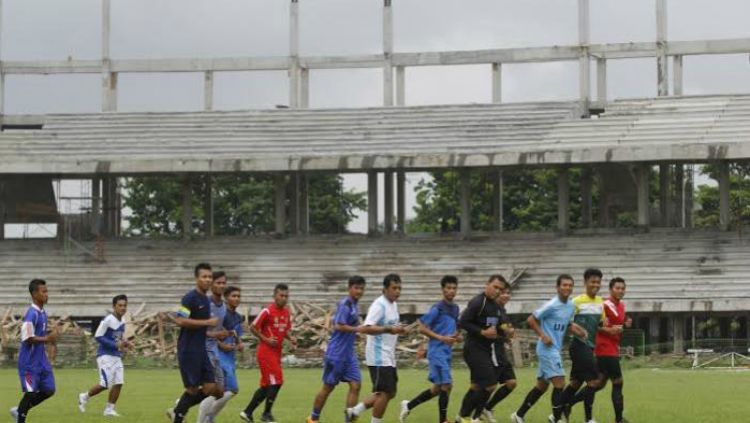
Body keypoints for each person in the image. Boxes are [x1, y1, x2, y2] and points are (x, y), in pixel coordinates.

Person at [510, 274, 587, 423]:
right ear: (558, 287)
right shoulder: (551, 305)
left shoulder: (571, 306)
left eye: (570, 285)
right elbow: (531, 319)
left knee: (542, 386)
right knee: (560, 383)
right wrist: (542, 335)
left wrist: (579, 331)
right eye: (564, 285)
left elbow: (567, 324)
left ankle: (518, 415)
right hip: (547, 349)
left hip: (555, 349)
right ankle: (557, 419)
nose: (567, 288)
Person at [345, 274, 407, 423]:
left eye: (399, 288)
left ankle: (355, 411)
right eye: (394, 288)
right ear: (385, 289)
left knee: (391, 392)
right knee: (384, 393)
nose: (397, 291)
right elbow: (366, 328)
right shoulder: (379, 305)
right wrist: (389, 329)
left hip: (388, 355)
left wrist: (399, 330)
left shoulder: (393, 304)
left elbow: (391, 327)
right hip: (379, 355)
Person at [399, 275, 460, 423]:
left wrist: (457, 337)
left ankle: (408, 405)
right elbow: (422, 328)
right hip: (436, 352)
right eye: (448, 288)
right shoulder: (437, 308)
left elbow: (454, 329)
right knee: (447, 384)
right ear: (442, 289)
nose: (451, 291)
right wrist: (441, 338)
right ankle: (443, 420)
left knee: (437, 389)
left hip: (446, 352)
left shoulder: (456, 308)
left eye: (454, 288)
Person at [307, 276, 367, 423]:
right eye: (356, 288)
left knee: (356, 385)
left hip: (348, 355)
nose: (359, 291)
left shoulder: (354, 305)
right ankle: (313, 418)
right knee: (328, 387)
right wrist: (357, 329)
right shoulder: (345, 304)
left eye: (361, 288)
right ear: (349, 288)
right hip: (337, 354)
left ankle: (349, 420)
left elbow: (347, 327)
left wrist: (356, 334)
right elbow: (339, 325)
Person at [167, 263, 220, 423]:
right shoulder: (190, 298)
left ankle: (177, 410)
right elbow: (181, 320)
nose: (208, 280)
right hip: (188, 350)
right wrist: (207, 322)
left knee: (211, 387)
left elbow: (202, 327)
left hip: (201, 349)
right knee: (192, 389)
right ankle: (178, 416)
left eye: (210, 277)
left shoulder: (205, 298)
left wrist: (216, 333)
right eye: (204, 276)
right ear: (197, 278)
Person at [241, 284, 296, 423]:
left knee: (267, 386)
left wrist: (291, 339)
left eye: (286, 296)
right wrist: (265, 339)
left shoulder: (286, 312)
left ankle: (247, 412)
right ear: (274, 296)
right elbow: (253, 327)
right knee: (277, 381)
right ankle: (266, 414)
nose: (283, 298)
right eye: (281, 295)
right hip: (265, 353)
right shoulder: (267, 311)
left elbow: (284, 330)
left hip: (276, 353)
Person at [455, 275, 506, 423]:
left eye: (500, 289)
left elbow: (497, 325)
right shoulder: (479, 302)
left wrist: (505, 333)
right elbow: (463, 321)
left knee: (477, 386)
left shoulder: (495, 306)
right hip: (473, 349)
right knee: (490, 383)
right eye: (495, 287)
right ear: (487, 284)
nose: (497, 291)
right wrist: (482, 332)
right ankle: (475, 417)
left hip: (485, 350)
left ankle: (462, 416)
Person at [10, 279, 57, 423]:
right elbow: (28, 338)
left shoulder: (42, 313)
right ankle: (20, 417)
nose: (47, 294)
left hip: (41, 362)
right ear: (34, 294)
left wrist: (50, 347)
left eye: (47, 291)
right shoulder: (32, 314)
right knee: (30, 394)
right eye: (44, 291)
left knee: (49, 390)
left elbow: (42, 337)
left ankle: (19, 411)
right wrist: (48, 339)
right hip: (29, 364)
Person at [561, 268, 605, 423]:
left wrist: (614, 327)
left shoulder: (601, 302)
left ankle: (557, 413)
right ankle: (588, 418)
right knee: (595, 381)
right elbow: (566, 322)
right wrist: (577, 330)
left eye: (598, 282)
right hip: (579, 346)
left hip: (591, 347)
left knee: (575, 383)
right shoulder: (576, 301)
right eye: (593, 281)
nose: (596, 285)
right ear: (585, 282)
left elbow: (601, 324)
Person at [78, 294, 130, 417]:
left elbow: (118, 338)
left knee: (119, 382)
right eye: (120, 305)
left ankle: (109, 410)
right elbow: (98, 336)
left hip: (116, 356)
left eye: (125, 305)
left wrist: (126, 343)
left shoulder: (122, 320)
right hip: (105, 356)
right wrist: (116, 345)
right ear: (114, 306)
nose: (123, 308)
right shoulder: (108, 320)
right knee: (105, 384)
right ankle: (84, 396)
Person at [593, 277, 631, 423]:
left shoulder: (621, 305)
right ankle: (619, 419)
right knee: (618, 381)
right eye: (617, 288)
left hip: (613, 348)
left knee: (599, 384)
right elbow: (596, 325)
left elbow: (618, 324)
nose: (620, 291)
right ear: (610, 289)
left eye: (623, 288)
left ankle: (568, 402)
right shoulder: (604, 304)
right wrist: (609, 330)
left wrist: (627, 322)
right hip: (604, 348)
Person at [478, 280, 517, 423]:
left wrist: (508, 335)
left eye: (508, 293)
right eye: (504, 292)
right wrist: (505, 332)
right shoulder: (492, 309)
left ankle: (487, 408)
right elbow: (492, 329)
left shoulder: (503, 311)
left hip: (501, 350)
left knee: (511, 383)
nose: (506, 295)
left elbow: (506, 328)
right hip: (493, 350)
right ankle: (474, 412)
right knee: (489, 385)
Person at [196, 271, 230, 423]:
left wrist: (222, 338)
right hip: (202, 351)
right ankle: (205, 419)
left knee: (220, 391)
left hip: (214, 350)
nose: (221, 285)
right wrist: (216, 335)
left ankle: (179, 406)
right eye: (218, 282)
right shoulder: (205, 304)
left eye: (223, 283)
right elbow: (199, 330)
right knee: (212, 388)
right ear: (211, 285)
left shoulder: (223, 306)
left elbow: (217, 332)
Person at [208, 285, 245, 422]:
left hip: (230, 358)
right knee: (232, 389)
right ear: (226, 298)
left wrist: (240, 344)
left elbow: (237, 335)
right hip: (218, 355)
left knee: (215, 392)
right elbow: (210, 335)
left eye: (238, 296)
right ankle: (209, 417)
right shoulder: (221, 315)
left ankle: (180, 406)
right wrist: (222, 345)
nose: (236, 299)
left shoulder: (238, 317)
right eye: (233, 296)